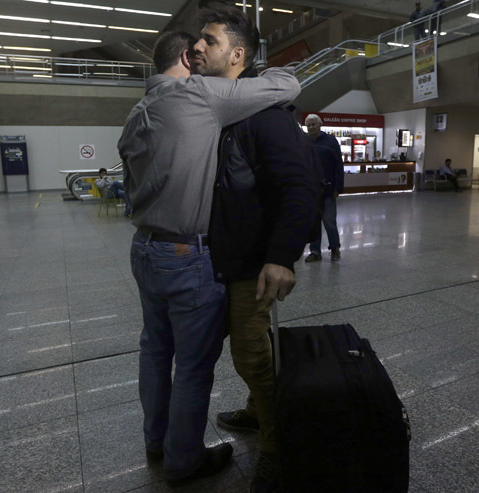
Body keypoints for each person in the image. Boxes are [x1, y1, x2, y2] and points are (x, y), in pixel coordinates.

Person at [118, 30, 300, 485]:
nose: (201, 53)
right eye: (196, 48)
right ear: (186, 57)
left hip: (144, 248)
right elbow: (288, 85)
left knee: (155, 352)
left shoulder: (136, 113)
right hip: (185, 252)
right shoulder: (197, 95)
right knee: (194, 366)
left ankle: (156, 441)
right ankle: (184, 461)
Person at [194, 5, 318, 492]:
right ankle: (254, 410)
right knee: (246, 348)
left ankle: (275, 444)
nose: (198, 47)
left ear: (237, 55)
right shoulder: (223, 112)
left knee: (251, 353)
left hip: (251, 262)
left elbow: (301, 185)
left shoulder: (265, 116)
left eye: (210, 41)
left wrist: (281, 256)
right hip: (220, 259)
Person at [304, 114, 344, 262]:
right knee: (314, 222)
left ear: (320, 125)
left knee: (329, 221)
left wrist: (338, 187)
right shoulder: (305, 142)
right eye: (308, 125)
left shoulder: (331, 141)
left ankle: (335, 248)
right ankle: (315, 251)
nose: (311, 127)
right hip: (311, 190)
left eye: (313, 124)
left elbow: (339, 166)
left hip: (328, 189)